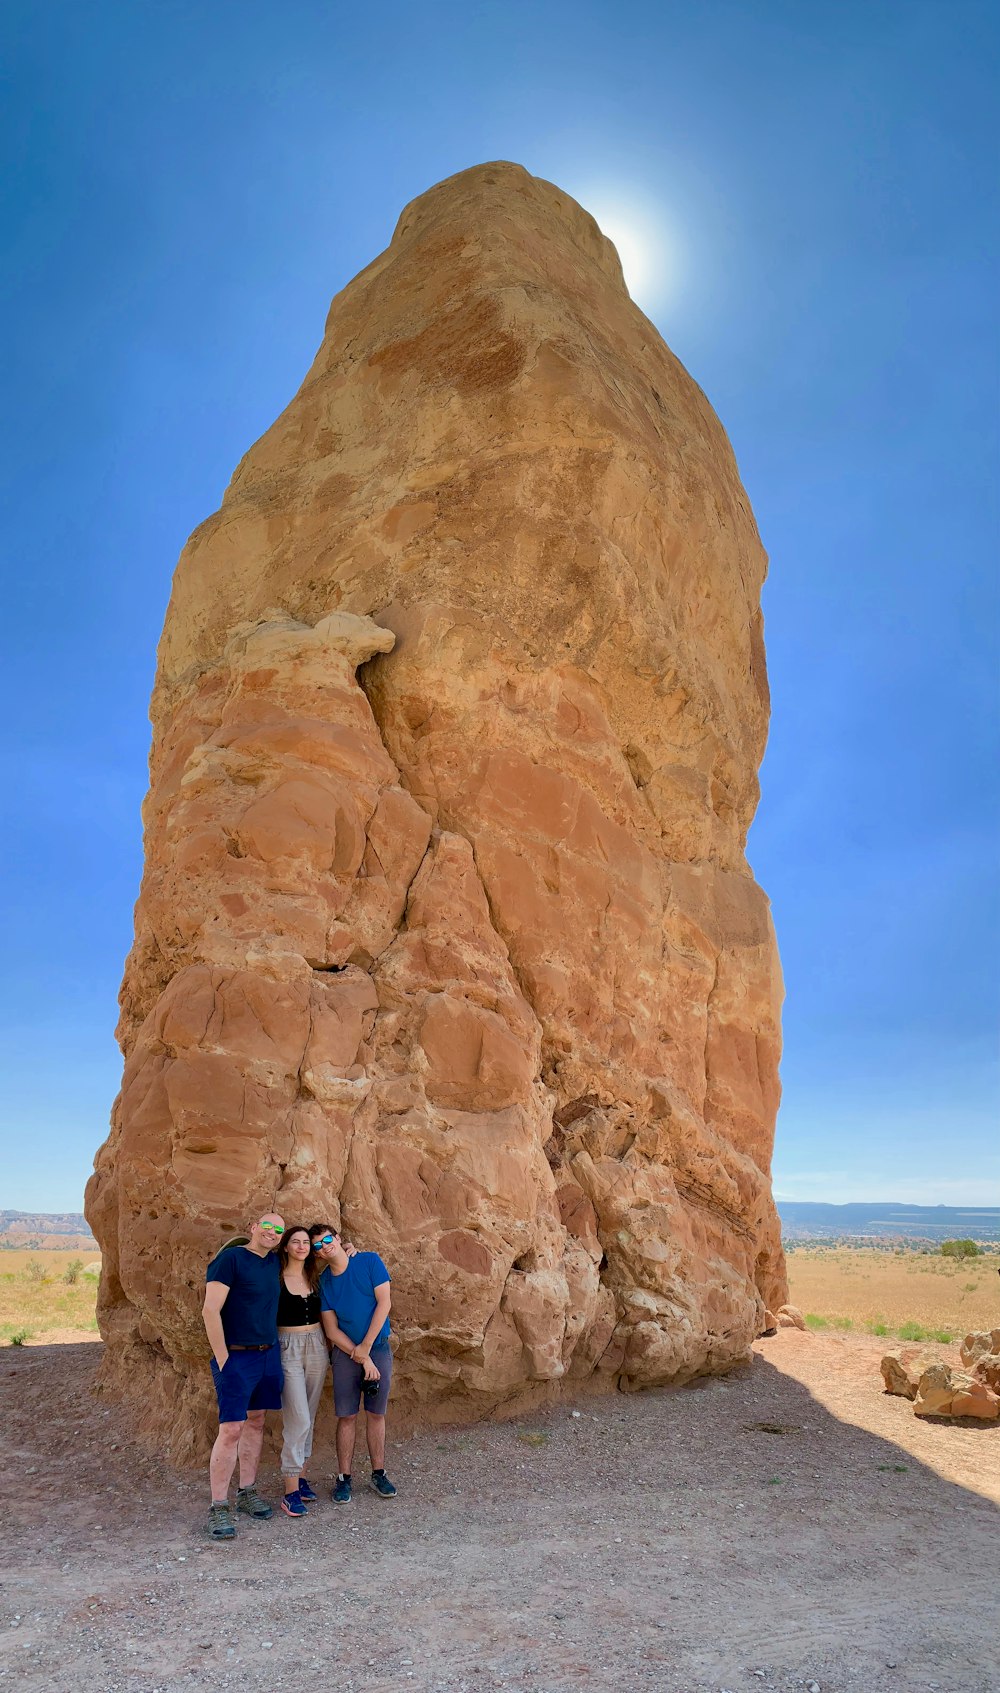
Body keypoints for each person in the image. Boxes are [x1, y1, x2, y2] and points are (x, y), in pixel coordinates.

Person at [202, 1212, 285, 1541]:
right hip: (236, 1356)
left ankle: (246, 1492)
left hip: (268, 1354)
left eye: (278, 1229)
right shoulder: (231, 1260)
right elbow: (210, 1310)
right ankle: (218, 1506)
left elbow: (311, 1256)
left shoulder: (274, 1263)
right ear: (253, 1227)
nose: (272, 1232)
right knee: (231, 1428)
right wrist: (224, 1358)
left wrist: (347, 1248)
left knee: (256, 1421)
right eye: (267, 1225)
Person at [310, 1223, 397, 1502]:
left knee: (376, 1414)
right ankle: (343, 1478)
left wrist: (367, 1350)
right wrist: (359, 1355)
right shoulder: (325, 1282)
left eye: (326, 1239)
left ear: (337, 1237)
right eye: (317, 1245)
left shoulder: (369, 1261)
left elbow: (384, 1304)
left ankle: (379, 1474)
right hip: (346, 1355)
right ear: (318, 1254)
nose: (324, 1246)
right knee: (346, 1416)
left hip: (377, 1347)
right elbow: (332, 1330)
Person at [276, 1225, 329, 1518]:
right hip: (288, 1346)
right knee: (297, 1418)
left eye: (305, 1242)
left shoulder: (314, 1276)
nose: (300, 1246)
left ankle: (301, 1477)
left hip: (317, 1344)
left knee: (309, 1413)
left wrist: (350, 1250)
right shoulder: (276, 1276)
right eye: (294, 1242)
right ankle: (290, 1491)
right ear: (285, 1246)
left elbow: (339, 1260)